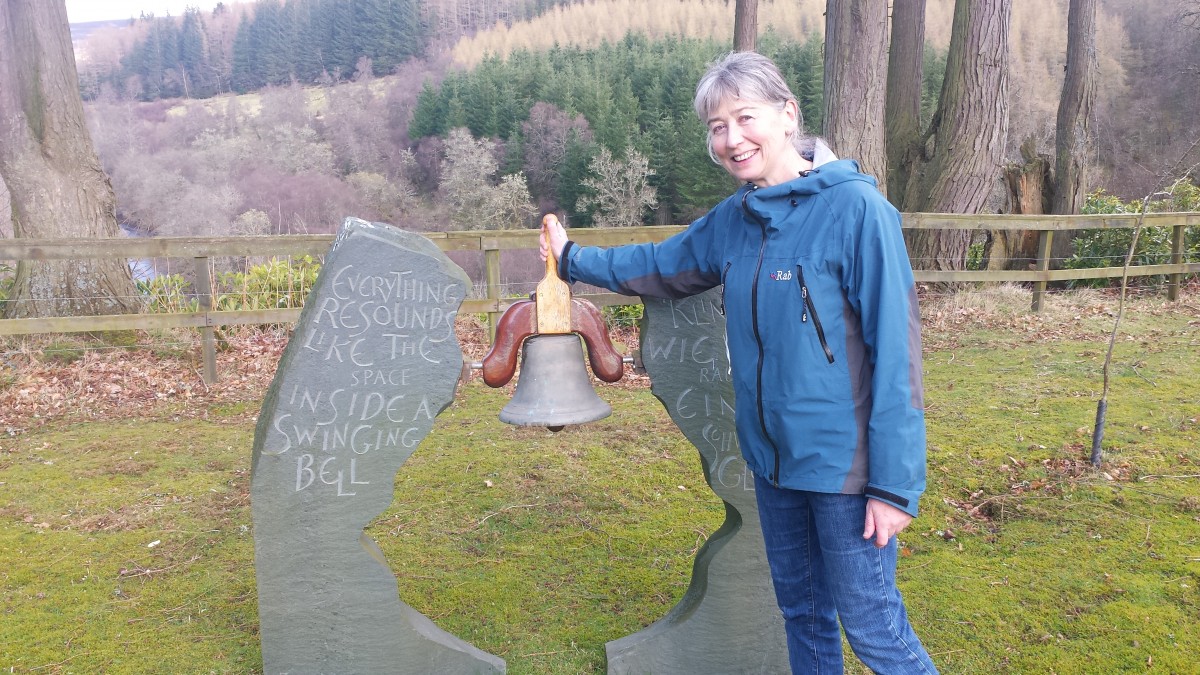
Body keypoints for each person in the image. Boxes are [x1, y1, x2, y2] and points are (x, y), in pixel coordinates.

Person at [540, 51, 937, 673]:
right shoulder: (737, 219)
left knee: (875, 632)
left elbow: (898, 357)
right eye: (717, 127)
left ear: (787, 115)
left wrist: (894, 486)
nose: (732, 139)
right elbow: (659, 265)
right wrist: (572, 260)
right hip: (774, 466)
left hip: (846, 472)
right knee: (803, 620)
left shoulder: (857, 211)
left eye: (744, 118)